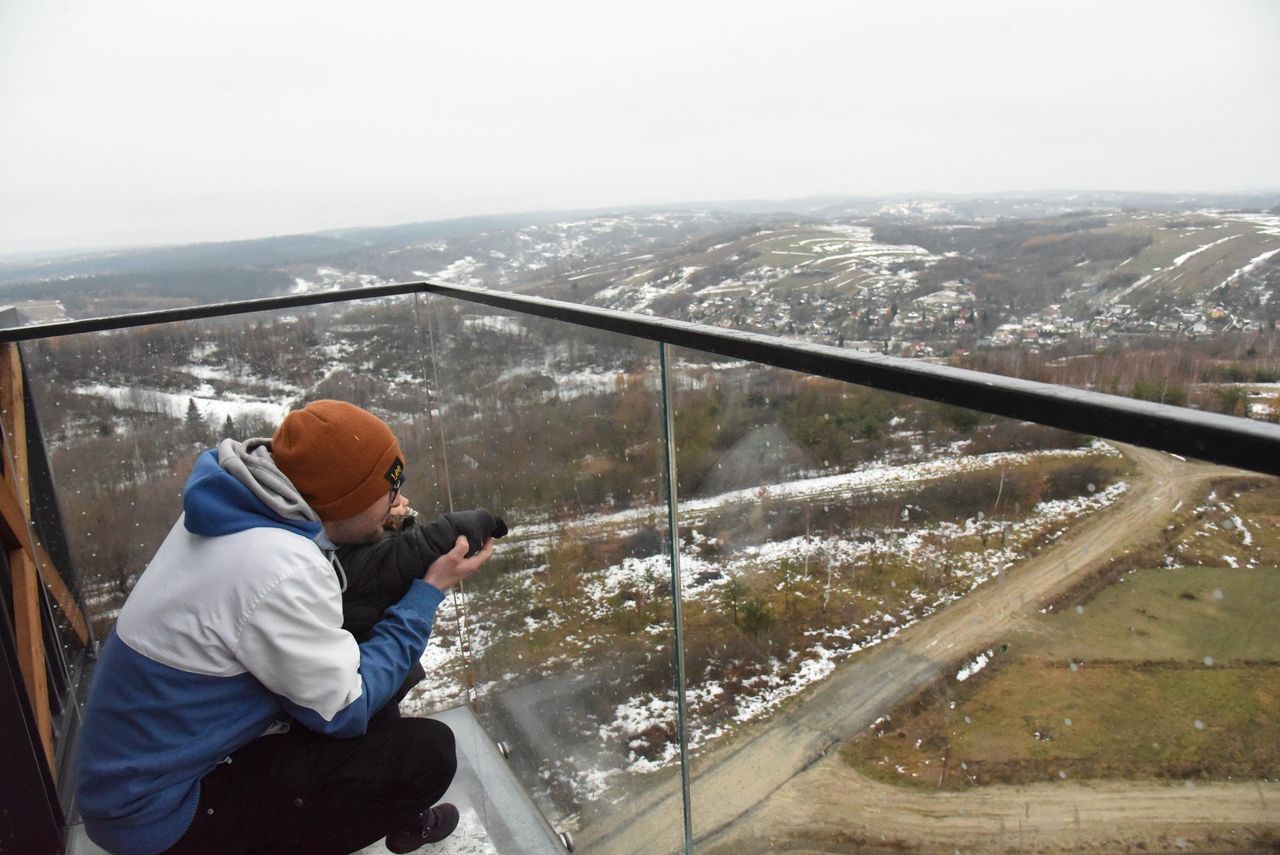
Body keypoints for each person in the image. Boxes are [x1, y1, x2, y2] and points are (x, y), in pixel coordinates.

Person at [75, 400, 493, 855]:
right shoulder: (279, 567)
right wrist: (428, 592)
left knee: (363, 659)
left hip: (136, 774)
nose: (397, 500)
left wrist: (381, 528)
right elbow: (346, 711)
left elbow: (332, 572)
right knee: (426, 755)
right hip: (161, 814)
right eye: (390, 491)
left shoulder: (238, 505)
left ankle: (397, 818)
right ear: (344, 501)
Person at [337, 505, 507, 721]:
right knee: (430, 741)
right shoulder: (352, 560)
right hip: (359, 700)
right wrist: (431, 588)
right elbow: (348, 705)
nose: (402, 500)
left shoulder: (332, 550)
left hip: (362, 691)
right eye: (391, 492)